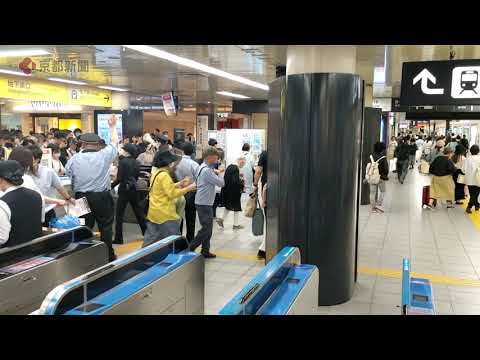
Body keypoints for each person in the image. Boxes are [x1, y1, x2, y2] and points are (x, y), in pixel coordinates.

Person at [65, 118, 119, 262]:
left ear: (82, 144)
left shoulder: (74, 159)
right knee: (106, 227)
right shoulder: (104, 155)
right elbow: (114, 143)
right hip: (102, 197)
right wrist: (112, 126)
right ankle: (108, 255)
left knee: (84, 226)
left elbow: (69, 173)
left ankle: (84, 256)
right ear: (97, 144)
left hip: (81, 198)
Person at [143, 150, 196, 247]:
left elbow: (164, 188)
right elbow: (171, 194)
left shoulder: (157, 173)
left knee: (150, 240)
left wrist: (179, 184)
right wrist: (188, 188)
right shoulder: (165, 175)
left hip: (154, 211)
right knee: (176, 239)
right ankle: (179, 259)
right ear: (168, 163)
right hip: (165, 213)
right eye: (174, 163)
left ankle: (142, 258)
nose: (175, 165)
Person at [189, 147, 225, 258]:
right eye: (216, 157)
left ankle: (205, 250)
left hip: (204, 201)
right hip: (204, 203)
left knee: (208, 229)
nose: (217, 160)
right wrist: (221, 173)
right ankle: (190, 248)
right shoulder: (207, 171)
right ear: (209, 157)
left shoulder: (202, 167)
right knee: (206, 229)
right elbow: (221, 183)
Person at [0, 160, 43, 247]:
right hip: (37, 251)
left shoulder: (3, 203)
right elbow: (41, 220)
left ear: (1, 180)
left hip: (11, 255)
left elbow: (2, 238)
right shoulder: (37, 195)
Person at [112, 143, 147, 244]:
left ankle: (119, 238)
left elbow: (119, 178)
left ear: (126, 151)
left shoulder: (122, 162)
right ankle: (146, 233)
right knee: (139, 212)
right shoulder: (137, 162)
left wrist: (111, 186)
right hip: (134, 189)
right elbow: (136, 177)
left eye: (123, 149)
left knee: (119, 215)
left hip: (124, 190)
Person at [8, 147, 46, 222]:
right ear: (27, 164)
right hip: (29, 224)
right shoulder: (27, 179)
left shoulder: (4, 177)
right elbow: (41, 199)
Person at [174, 142, 199, 243]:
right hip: (191, 192)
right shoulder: (194, 164)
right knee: (190, 217)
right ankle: (190, 239)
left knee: (178, 216)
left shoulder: (176, 162)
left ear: (182, 151)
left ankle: (177, 239)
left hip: (177, 191)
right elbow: (199, 179)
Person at [217, 164, 244, 230]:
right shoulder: (236, 180)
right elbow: (241, 187)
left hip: (227, 194)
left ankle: (221, 219)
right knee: (236, 208)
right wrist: (241, 180)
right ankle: (235, 225)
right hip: (235, 195)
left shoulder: (226, 179)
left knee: (228, 207)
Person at [254, 150, 267, 259]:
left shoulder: (265, 153)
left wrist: (254, 184)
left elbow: (258, 171)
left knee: (268, 218)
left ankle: (263, 249)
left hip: (266, 189)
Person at [369, 142, 389, 213]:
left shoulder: (371, 156)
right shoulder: (383, 158)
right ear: (382, 149)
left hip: (372, 176)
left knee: (372, 193)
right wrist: (385, 176)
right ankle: (379, 204)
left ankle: (373, 208)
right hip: (381, 177)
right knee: (383, 191)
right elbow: (386, 169)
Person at [463, 145, 480, 214]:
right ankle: (469, 207)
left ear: (470, 151)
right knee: (475, 194)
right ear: (478, 151)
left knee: (472, 193)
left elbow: (463, 169)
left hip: (469, 179)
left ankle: (476, 205)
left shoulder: (467, 159)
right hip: (478, 179)